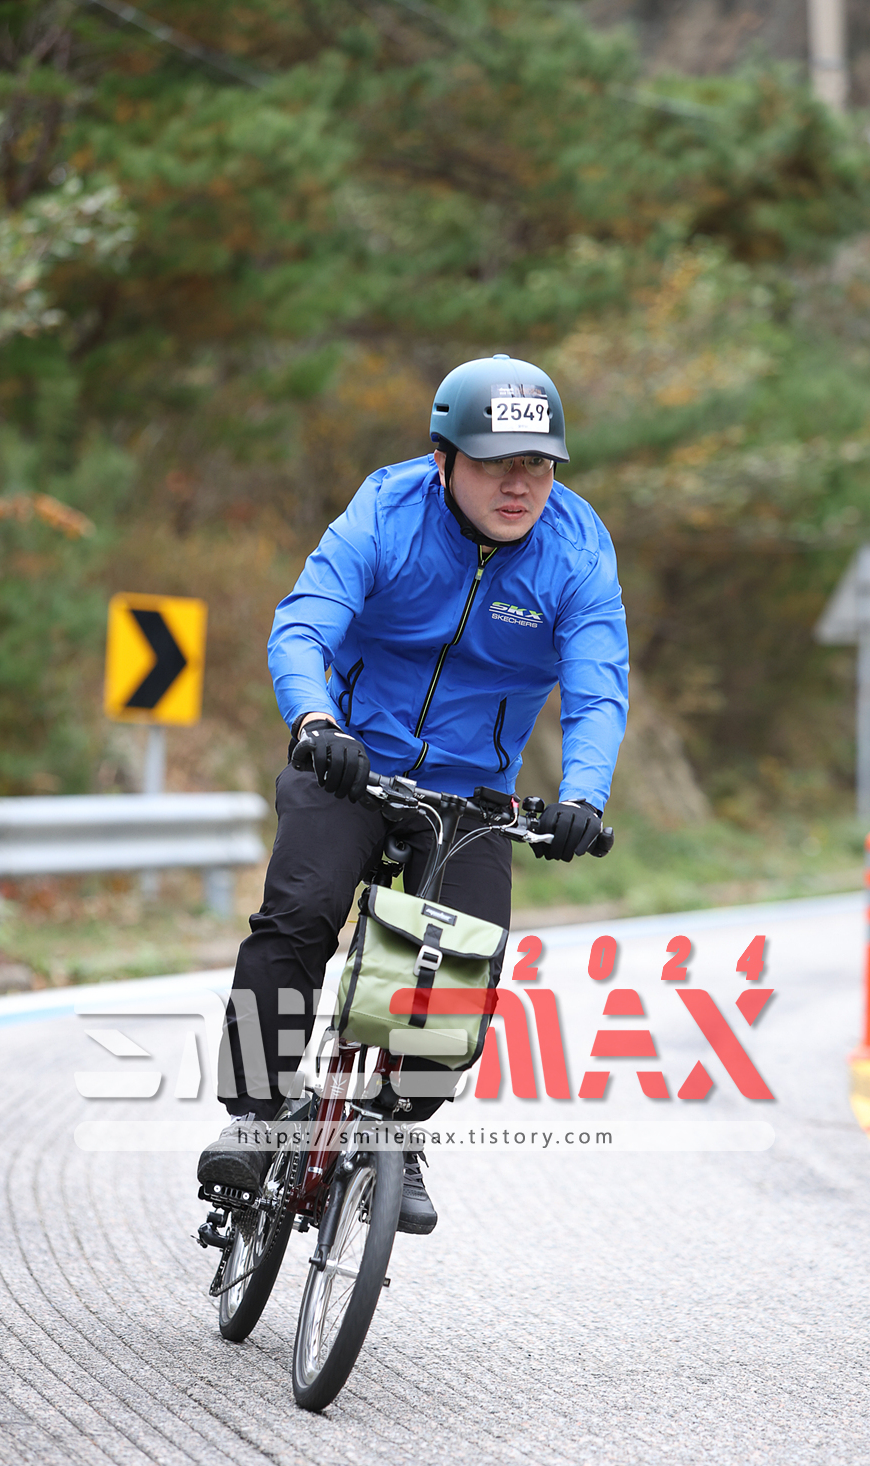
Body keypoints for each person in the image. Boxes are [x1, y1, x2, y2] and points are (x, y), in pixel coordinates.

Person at [197, 353, 629, 1233]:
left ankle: (392, 1134)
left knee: (459, 973)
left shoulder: (577, 552)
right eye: (495, 463)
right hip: (352, 758)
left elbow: (597, 689)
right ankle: (255, 1115)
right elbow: (305, 622)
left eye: (538, 464)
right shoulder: (388, 511)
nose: (519, 485)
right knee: (301, 914)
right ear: (443, 459)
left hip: (474, 793)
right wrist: (315, 720)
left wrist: (583, 797)